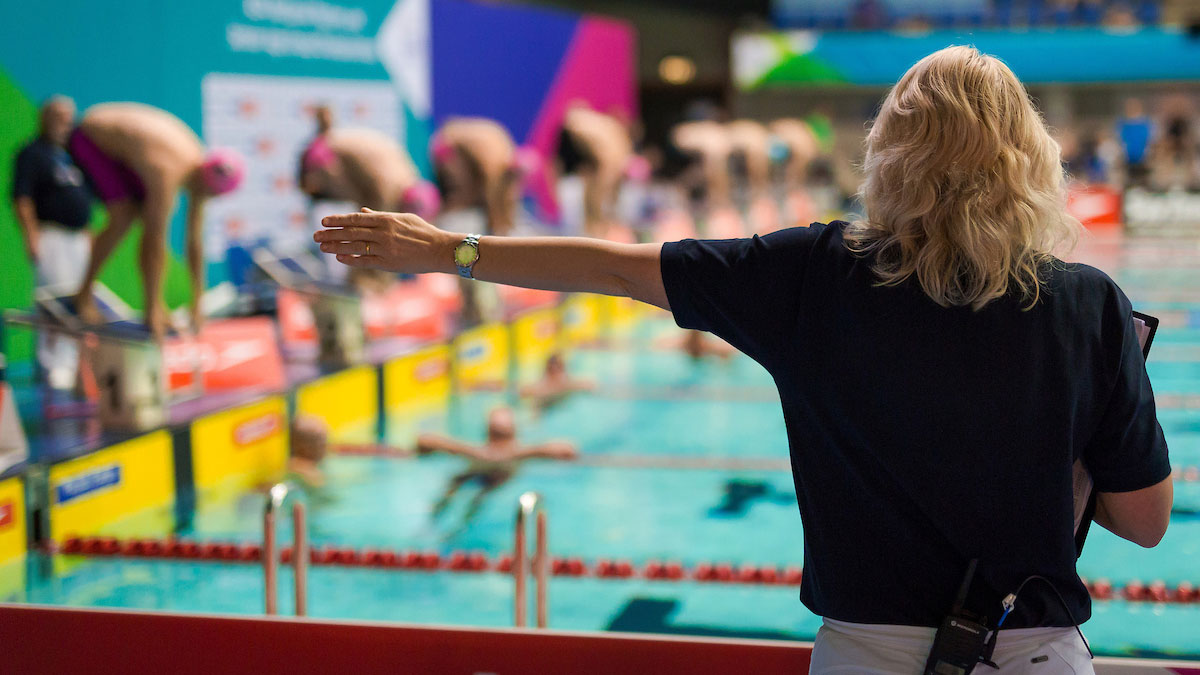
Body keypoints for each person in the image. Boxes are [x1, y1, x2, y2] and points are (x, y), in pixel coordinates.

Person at [317, 45, 1172, 672]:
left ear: (889, 151)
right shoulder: (1087, 302)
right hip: (1035, 652)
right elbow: (1144, 521)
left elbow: (614, 267)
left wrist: (449, 251)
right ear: (1029, 160)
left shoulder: (810, 274)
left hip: (861, 655)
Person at [69, 102, 246, 338]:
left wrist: (198, 303)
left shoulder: (199, 168)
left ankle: (154, 304)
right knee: (124, 216)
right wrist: (150, 309)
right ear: (208, 185)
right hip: (90, 135)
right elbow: (153, 242)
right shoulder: (167, 171)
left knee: (140, 218)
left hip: (132, 145)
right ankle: (83, 294)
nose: (205, 199)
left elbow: (194, 242)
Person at [11, 96, 94, 389]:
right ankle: (52, 366)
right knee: (53, 302)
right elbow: (22, 198)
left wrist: (87, 233)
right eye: (58, 116)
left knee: (79, 301)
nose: (65, 122)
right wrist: (31, 235)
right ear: (44, 117)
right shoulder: (32, 153)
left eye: (69, 116)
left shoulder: (73, 155)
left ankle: (76, 365)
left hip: (77, 239)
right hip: (51, 236)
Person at [418, 407, 576, 521]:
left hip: (490, 470)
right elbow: (567, 449)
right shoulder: (513, 452)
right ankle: (445, 517)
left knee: (467, 492)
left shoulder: (479, 451)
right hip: (492, 471)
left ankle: (439, 519)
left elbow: (424, 440)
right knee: (463, 489)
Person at [518, 353, 595, 410]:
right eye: (553, 370)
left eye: (559, 369)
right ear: (548, 372)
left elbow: (588, 384)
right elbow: (523, 391)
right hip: (544, 405)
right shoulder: (542, 386)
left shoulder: (566, 382)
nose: (556, 373)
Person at [287, 415, 330, 489]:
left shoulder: (290, 465)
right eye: (320, 442)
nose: (325, 446)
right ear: (301, 445)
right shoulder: (308, 472)